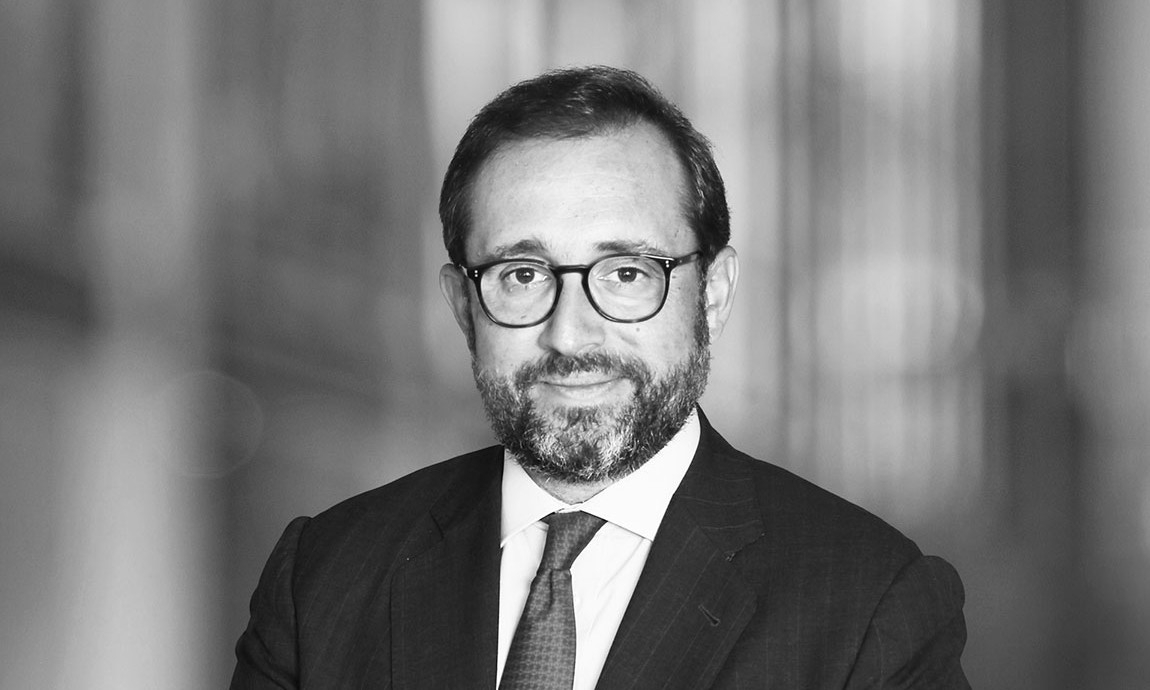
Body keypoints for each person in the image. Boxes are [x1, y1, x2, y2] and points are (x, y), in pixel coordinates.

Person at [230, 65, 970, 689]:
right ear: (462, 305)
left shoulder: (870, 605)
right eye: (523, 275)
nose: (571, 334)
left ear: (713, 293)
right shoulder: (323, 579)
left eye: (625, 273)